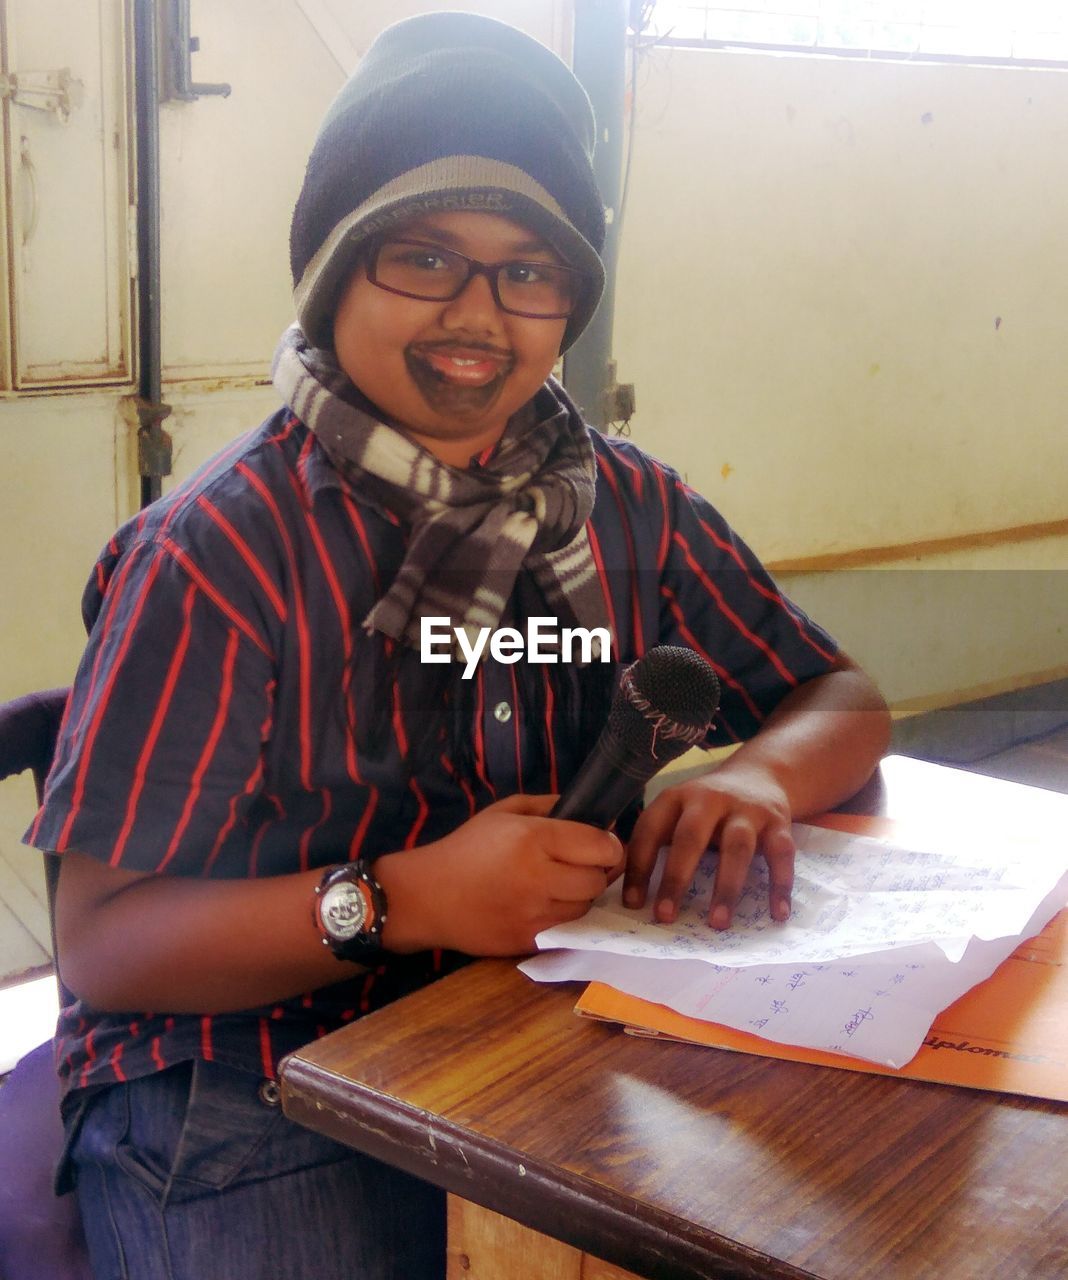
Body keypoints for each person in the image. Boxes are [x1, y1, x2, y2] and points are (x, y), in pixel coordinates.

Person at [28, 12, 891, 1280]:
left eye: (530, 268)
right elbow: (108, 941)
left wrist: (754, 775)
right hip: (235, 1074)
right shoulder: (219, 552)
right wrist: (406, 895)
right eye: (424, 255)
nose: (480, 313)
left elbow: (840, 695)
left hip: (520, 1023)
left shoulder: (626, 506)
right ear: (334, 271)